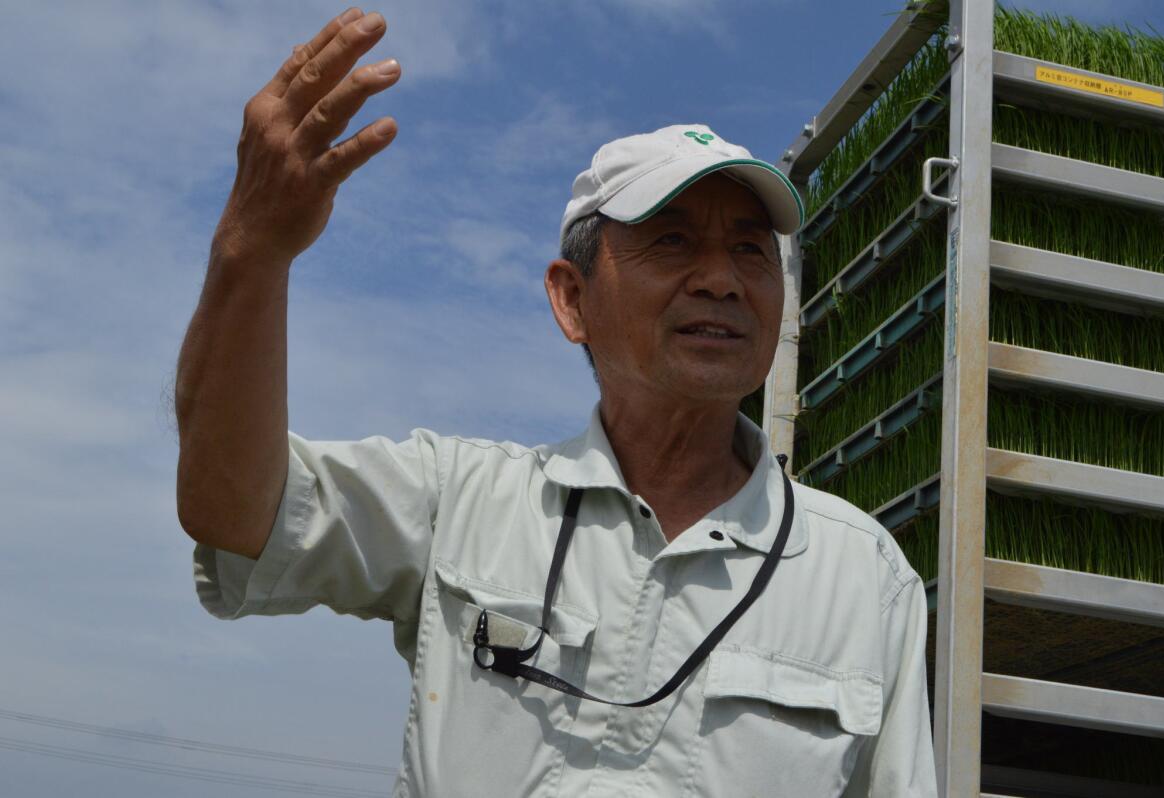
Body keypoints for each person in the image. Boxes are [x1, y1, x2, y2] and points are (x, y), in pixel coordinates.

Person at [174, 8, 937, 797]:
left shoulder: (862, 576)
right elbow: (235, 513)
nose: (722, 278)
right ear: (571, 299)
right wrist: (250, 249)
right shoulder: (461, 501)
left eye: (751, 249)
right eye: (671, 240)